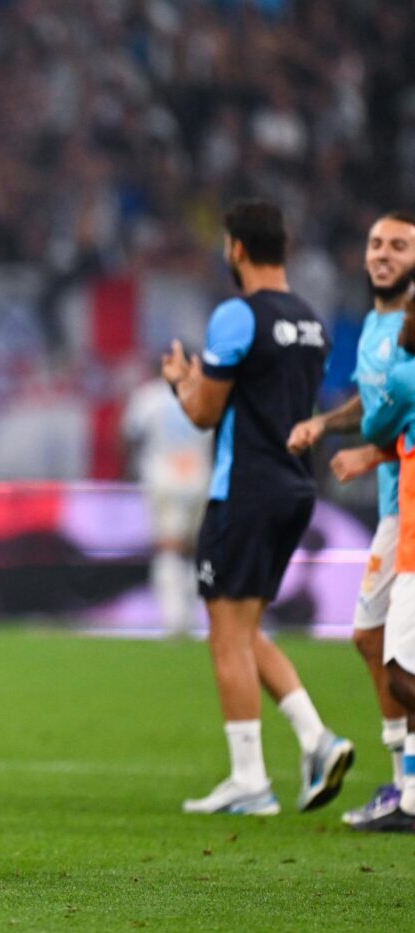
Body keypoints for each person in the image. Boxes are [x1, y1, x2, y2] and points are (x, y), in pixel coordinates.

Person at [162, 199, 352, 817]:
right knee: (243, 630)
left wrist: (181, 381)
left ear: (237, 248)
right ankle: (317, 739)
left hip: (243, 487)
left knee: (226, 634)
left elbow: (203, 413)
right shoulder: (313, 323)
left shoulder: (237, 315)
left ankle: (249, 780)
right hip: (296, 488)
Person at [286, 210, 415, 827]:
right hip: (397, 504)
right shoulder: (376, 325)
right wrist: (326, 424)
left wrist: (370, 451)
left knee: (398, 658)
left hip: (404, 506)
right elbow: (377, 401)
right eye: (376, 244)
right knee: (371, 641)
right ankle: (403, 780)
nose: (383, 254)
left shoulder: (412, 329)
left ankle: (409, 785)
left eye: (399, 246)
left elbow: (396, 409)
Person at [341, 296, 415, 832]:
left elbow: (375, 425)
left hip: (410, 541)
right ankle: (409, 791)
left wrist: (370, 450)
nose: (402, 325)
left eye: (410, 318)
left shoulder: (406, 377)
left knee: (401, 673)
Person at [122, 373, 212, 637]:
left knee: (168, 548)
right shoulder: (206, 393)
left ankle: (175, 618)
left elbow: (130, 435)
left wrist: (129, 472)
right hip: (200, 477)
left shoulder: (149, 396)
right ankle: (199, 615)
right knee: (197, 549)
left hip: (164, 478)